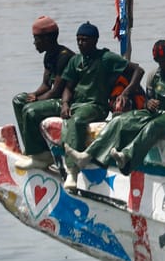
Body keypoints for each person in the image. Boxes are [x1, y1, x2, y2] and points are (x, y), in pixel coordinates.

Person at [66, 39, 165, 176]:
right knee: (119, 121)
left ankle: (127, 157)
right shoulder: (153, 76)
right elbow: (147, 102)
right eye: (164, 60)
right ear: (157, 61)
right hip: (158, 113)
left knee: (153, 126)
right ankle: (87, 155)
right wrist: (149, 104)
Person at [59, 21, 144, 190]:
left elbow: (138, 71)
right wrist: (65, 103)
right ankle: (38, 154)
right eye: (78, 40)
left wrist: (126, 92)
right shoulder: (76, 60)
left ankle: (72, 171)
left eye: (85, 40)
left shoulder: (105, 58)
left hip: (94, 105)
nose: (81, 43)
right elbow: (68, 87)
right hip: (75, 103)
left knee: (76, 121)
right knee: (34, 110)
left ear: (95, 40)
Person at [13, 16, 74, 169]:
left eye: (36, 39)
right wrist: (34, 95)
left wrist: (37, 101)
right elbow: (46, 85)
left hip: (66, 100)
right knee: (19, 100)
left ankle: (42, 155)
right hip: (53, 96)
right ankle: (31, 148)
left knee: (31, 111)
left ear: (47, 39)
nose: (34, 43)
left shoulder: (64, 56)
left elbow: (56, 91)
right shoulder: (49, 55)